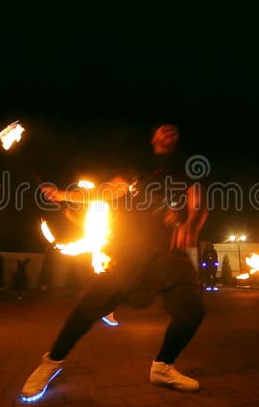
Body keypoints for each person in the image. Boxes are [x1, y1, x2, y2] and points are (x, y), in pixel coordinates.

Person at [20, 124, 209, 402]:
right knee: (88, 306)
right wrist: (62, 195)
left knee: (193, 311)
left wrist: (190, 226)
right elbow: (101, 192)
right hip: (133, 250)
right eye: (162, 128)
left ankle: (162, 367)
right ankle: (51, 362)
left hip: (170, 255)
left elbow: (199, 206)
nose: (169, 130)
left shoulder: (188, 169)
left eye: (174, 129)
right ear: (153, 137)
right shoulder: (137, 169)